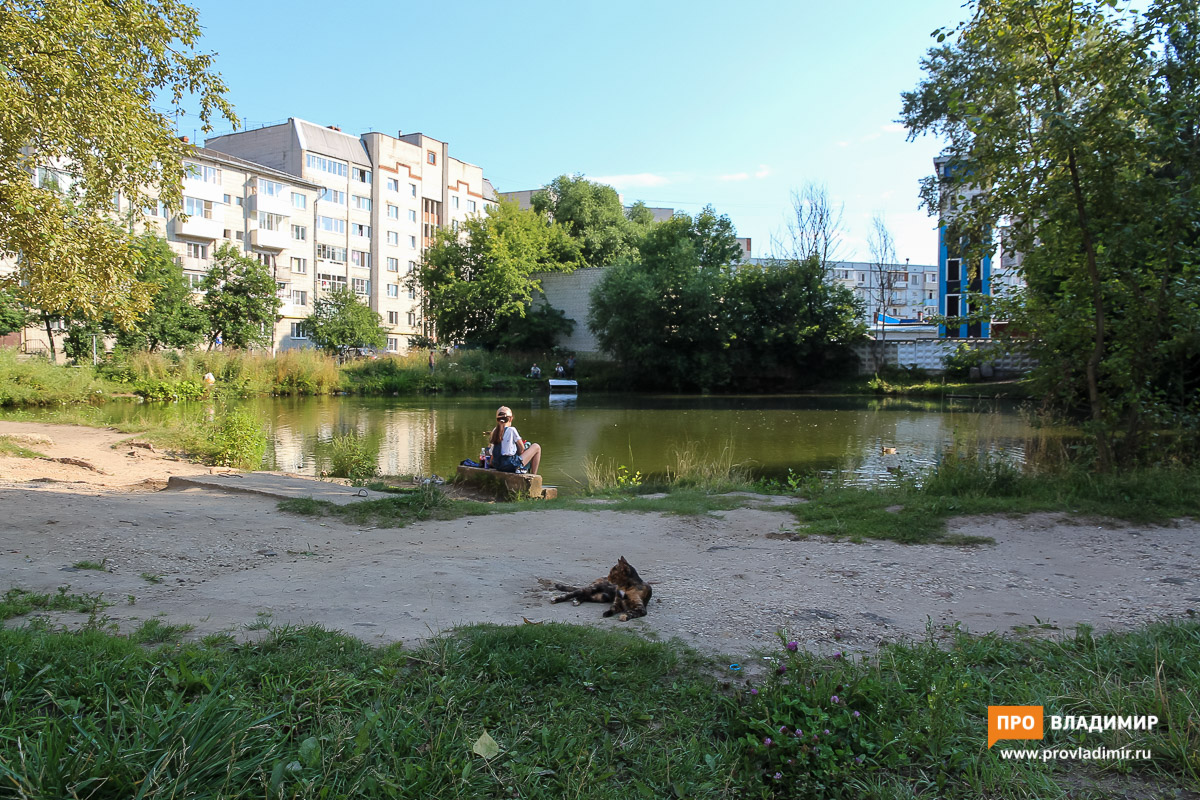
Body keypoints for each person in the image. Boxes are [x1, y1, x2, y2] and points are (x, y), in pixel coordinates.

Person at [488, 405, 541, 475]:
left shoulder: (494, 431)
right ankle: (533, 476)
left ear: (497, 419)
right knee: (536, 447)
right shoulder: (512, 430)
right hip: (510, 465)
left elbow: (492, 454)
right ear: (510, 419)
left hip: (498, 466)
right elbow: (522, 449)